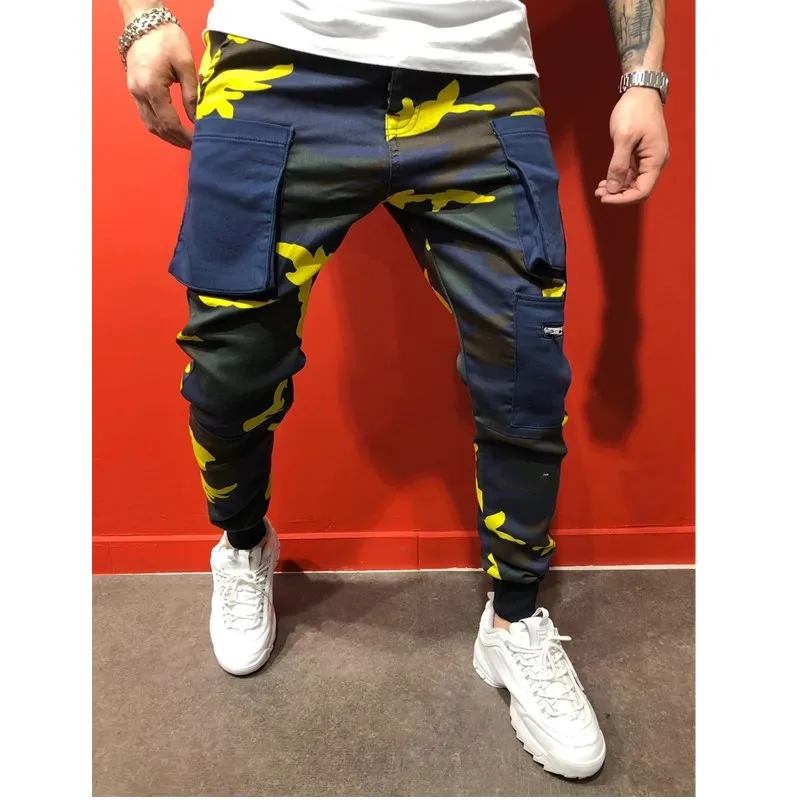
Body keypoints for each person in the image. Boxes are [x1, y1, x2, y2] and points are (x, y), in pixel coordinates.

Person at [117, 0, 669, 779]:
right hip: (277, 64)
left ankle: (513, 621)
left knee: (527, 372)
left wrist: (644, 79)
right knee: (229, 368)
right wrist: (143, 19)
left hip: (479, 80)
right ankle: (243, 545)